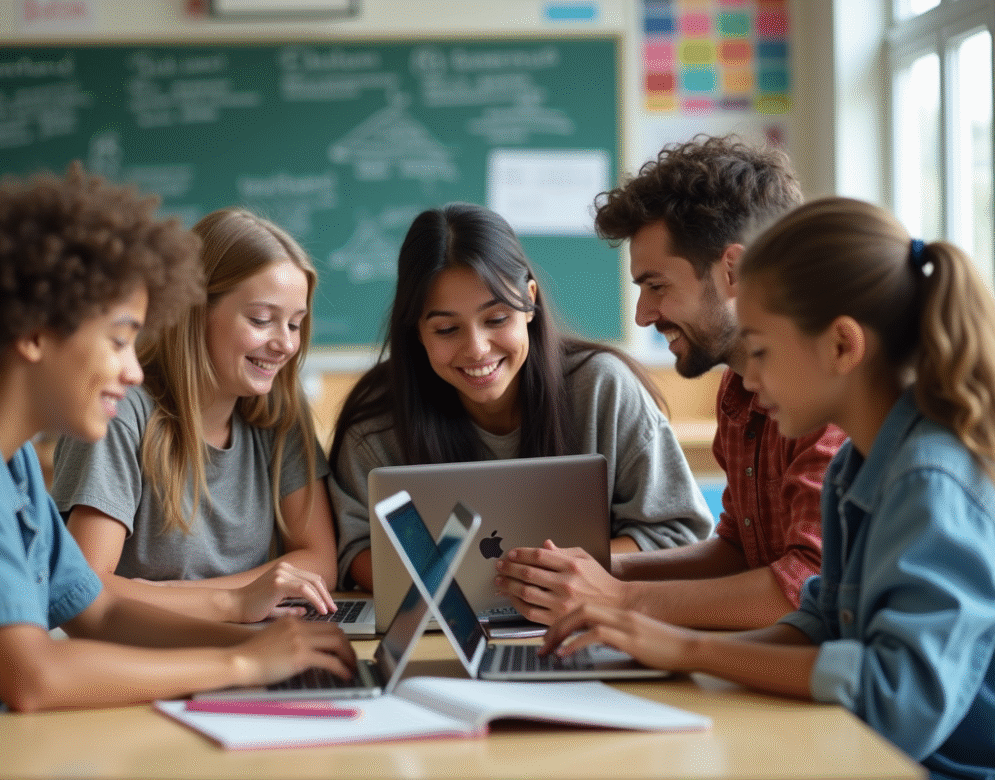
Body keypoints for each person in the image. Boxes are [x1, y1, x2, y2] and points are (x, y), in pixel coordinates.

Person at [0, 167, 356, 780]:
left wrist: (262, 646)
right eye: (120, 339)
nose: (134, 371)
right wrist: (242, 668)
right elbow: (35, 678)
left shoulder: (8, 455)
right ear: (34, 333)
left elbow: (95, 610)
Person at [543, 196, 995, 780]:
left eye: (759, 351)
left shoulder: (928, 480)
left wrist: (687, 648)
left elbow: (901, 701)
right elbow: (819, 624)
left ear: (842, 345)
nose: (749, 378)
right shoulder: (856, 469)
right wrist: (657, 647)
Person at [495, 135, 845, 629]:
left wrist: (619, 598)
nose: (641, 316)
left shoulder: (826, 393)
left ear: (734, 270)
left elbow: (803, 588)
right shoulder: (739, 390)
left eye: (656, 286)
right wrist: (592, 569)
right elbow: (742, 552)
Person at [330, 202, 712, 593]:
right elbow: (355, 549)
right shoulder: (377, 422)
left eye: (496, 319)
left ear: (529, 301)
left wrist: (560, 573)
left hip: (587, 620)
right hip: (442, 628)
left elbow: (679, 531)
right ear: (416, 330)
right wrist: (459, 589)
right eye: (446, 329)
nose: (477, 349)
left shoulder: (601, 387)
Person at [51, 207, 339, 624]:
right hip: (145, 660)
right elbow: (85, 587)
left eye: (295, 325)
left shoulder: (280, 414)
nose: (285, 345)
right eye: (262, 320)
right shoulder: (119, 411)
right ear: (194, 310)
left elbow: (319, 561)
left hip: (245, 645)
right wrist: (237, 602)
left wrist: (175, 593)